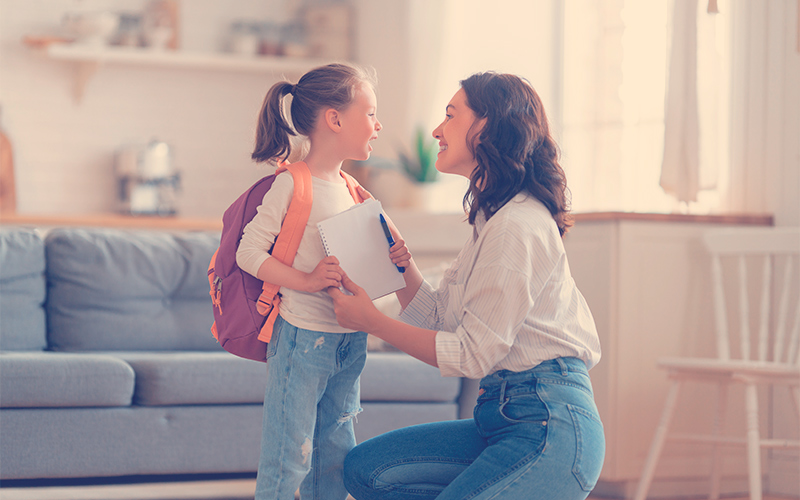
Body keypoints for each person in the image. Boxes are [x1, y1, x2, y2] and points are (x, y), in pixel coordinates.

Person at [327, 72, 605, 500]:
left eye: (451, 115)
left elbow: (473, 353)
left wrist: (372, 322)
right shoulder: (491, 220)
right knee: (367, 471)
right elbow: (442, 319)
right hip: (501, 416)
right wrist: (400, 267)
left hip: (549, 424)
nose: (437, 130)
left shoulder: (516, 226)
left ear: (488, 126)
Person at [236, 63, 383, 500]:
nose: (379, 125)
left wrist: (393, 258)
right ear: (335, 120)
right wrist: (304, 279)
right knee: (289, 456)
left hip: (349, 341)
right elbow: (249, 252)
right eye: (371, 113)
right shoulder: (291, 184)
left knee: (336, 454)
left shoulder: (356, 191)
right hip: (302, 341)